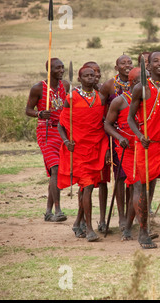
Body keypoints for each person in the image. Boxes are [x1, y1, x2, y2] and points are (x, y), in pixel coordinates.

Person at [128, 52, 160, 249]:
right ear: (147, 67)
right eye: (155, 61)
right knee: (143, 188)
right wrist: (140, 136)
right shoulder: (140, 88)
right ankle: (143, 232)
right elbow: (131, 118)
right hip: (146, 144)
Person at [57, 66, 109, 242]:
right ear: (79, 79)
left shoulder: (100, 98)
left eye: (92, 76)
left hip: (95, 149)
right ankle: (89, 228)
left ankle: (77, 222)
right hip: (78, 149)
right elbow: (60, 125)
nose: (90, 78)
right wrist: (66, 141)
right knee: (86, 187)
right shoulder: (71, 98)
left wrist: (107, 149)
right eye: (86, 76)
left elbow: (103, 124)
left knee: (87, 187)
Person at [25, 58, 69, 223]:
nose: (61, 70)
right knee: (55, 169)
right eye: (58, 68)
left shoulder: (65, 86)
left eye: (62, 68)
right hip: (46, 132)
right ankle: (58, 210)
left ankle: (48, 212)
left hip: (62, 132)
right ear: (49, 69)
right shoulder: (38, 88)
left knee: (55, 173)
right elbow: (28, 109)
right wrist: (39, 114)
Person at [104, 67, 141, 241]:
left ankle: (132, 224)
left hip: (144, 148)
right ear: (133, 83)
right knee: (135, 184)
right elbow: (107, 125)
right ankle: (128, 226)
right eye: (142, 81)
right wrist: (119, 137)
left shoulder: (149, 100)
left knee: (139, 187)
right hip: (126, 149)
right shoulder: (119, 101)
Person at [100, 54, 134, 231]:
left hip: (135, 135)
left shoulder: (138, 83)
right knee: (120, 176)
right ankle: (121, 216)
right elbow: (101, 114)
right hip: (116, 137)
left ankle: (131, 215)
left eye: (129, 63)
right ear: (116, 67)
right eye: (123, 63)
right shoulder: (109, 85)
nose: (127, 66)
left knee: (134, 178)